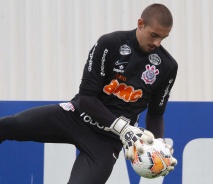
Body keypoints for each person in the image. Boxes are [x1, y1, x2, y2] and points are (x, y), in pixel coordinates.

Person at [0, 3, 178, 184]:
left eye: (163, 38)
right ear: (140, 24)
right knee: (8, 125)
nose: (157, 43)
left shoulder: (168, 66)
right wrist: (123, 129)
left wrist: (158, 146)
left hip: (106, 141)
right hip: (76, 116)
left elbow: (156, 114)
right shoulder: (110, 44)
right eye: (154, 35)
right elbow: (86, 98)